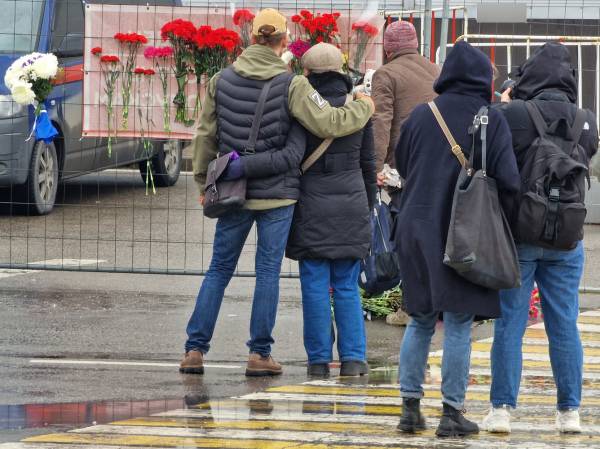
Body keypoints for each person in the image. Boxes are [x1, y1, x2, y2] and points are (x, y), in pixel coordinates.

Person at [182, 8, 375, 377]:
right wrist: (364, 108)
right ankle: (259, 353)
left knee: (219, 268)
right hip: (278, 196)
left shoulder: (220, 81)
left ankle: (194, 348)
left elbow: (205, 137)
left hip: (231, 190)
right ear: (283, 41)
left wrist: (203, 183)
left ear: (251, 38)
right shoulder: (292, 85)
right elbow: (329, 121)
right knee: (267, 271)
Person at [394, 40, 520, 437]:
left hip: (415, 227)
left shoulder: (419, 115)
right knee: (460, 322)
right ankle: (451, 413)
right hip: (464, 231)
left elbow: (402, 163)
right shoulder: (490, 118)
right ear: (482, 78)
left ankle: (410, 410)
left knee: (420, 319)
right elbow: (509, 180)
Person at [483, 42, 599, 434]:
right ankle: (570, 413)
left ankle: (501, 409)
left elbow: (490, 149)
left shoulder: (512, 113)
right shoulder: (587, 119)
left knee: (511, 323)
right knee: (564, 323)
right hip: (568, 238)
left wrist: (505, 101)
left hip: (520, 234)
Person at [285, 43, 377, 378]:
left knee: (314, 285)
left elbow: (293, 159)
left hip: (311, 207)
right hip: (352, 203)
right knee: (348, 286)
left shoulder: (301, 108)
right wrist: (364, 207)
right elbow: (369, 164)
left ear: (307, 73)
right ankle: (353, 359)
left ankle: (319, 361)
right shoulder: (360, 108)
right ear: (341, 70)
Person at [370, 20, 440, 326]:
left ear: (387, 48)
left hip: (404, 165)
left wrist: (374, 167)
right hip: (440, 164)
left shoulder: (386, 74)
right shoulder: (437, 70)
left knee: (407, 238)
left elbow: (381, 122)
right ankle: (437, 300)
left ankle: (411, 306)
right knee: (434, 235)